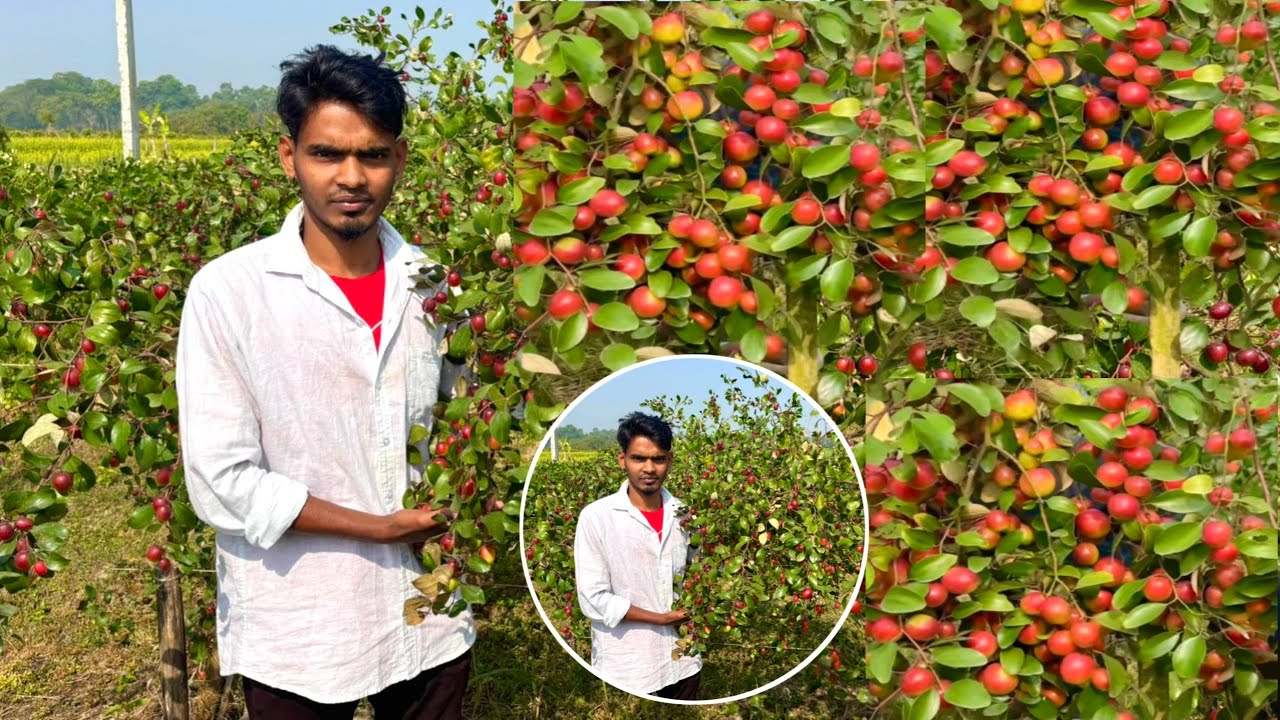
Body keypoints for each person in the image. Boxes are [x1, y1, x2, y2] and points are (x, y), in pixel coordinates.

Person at [175, 45, 473, 720]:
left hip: (431, 617)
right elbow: (222, 481)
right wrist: (377, 528)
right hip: (299, 623)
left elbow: (465, 421)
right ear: (289, 158)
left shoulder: (434, 285)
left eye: (371, 155)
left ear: (398, 161)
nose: (351, 177)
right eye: (325, 154)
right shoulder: (230, 292)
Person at [573, 412, 702, 700]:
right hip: (628, 667)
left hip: (685, 662)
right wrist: (660, 619)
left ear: (669, 461)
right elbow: (593, 599)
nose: (649, 468)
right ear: (622, 460)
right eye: (638, 458)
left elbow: (699, 571)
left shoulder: (684, 513)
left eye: (657, 459)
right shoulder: (597, 517)